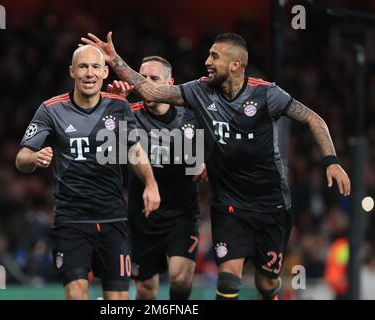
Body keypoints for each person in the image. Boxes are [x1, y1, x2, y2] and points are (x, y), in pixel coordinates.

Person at [81, 32, 351, 300]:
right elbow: (148, 95)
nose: (207, 61)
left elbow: (314, 119)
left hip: (271, 205)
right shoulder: (199, 90)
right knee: (228, 279)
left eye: (215, 56)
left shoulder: (267, 94)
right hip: (228, 205)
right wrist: (114, 60)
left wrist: (332, 162)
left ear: (235, 65)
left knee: (267, 284)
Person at [15, 45, 160, 300]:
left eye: (95, 67)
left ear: (105, 73)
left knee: (118, 301)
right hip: (71, 220)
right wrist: (35, 158)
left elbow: (134, 151)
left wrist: (150, 183)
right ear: (72, 71)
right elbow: (21, 158)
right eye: (83, 66)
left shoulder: (119, 107)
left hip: (112, 219)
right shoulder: (51, 109)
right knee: (76, 294)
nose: (89, 73)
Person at [108, 56, 206, 300]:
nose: (147, 84)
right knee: (145, 289)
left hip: (182, 214)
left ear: (170, 83)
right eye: (143, 79)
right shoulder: (129, 113)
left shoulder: (191, 116)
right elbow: (108, 152)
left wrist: (206, 163)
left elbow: (213, 148)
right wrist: (114, 106)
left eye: (154, 78)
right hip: (143, 217)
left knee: (181, 279)